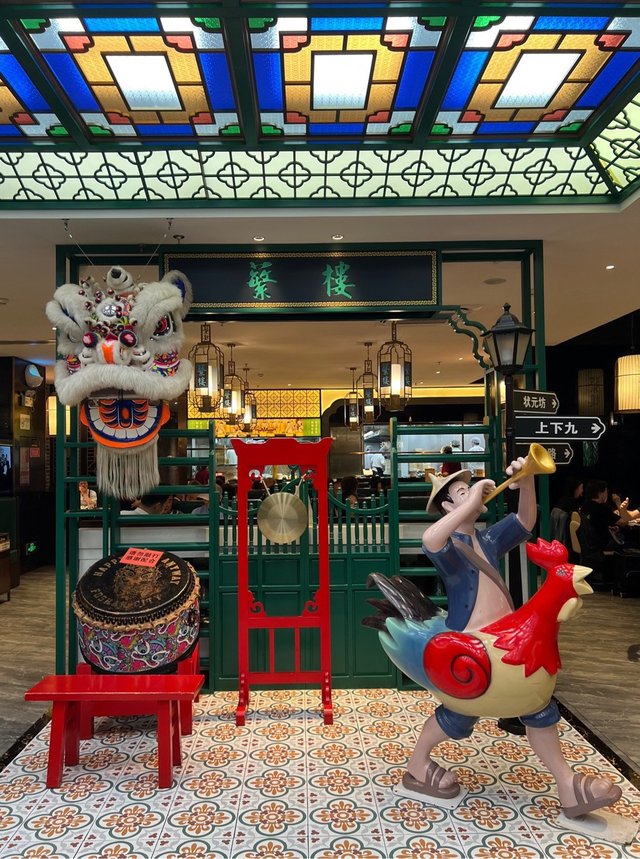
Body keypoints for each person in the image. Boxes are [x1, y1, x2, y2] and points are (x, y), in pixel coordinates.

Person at [390, 460, 621, 817]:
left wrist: (525, 482)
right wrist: (471, 503)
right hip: (472, 642)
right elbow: (429, 540)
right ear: (449, 506)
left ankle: (567, 784)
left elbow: (525, 521)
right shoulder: (452, 547)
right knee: (468, 711)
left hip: (500, 639)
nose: (474, 493)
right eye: (461, 492)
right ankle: (419, 764)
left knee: (534, 706)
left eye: (470, 489)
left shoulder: (486, 540)